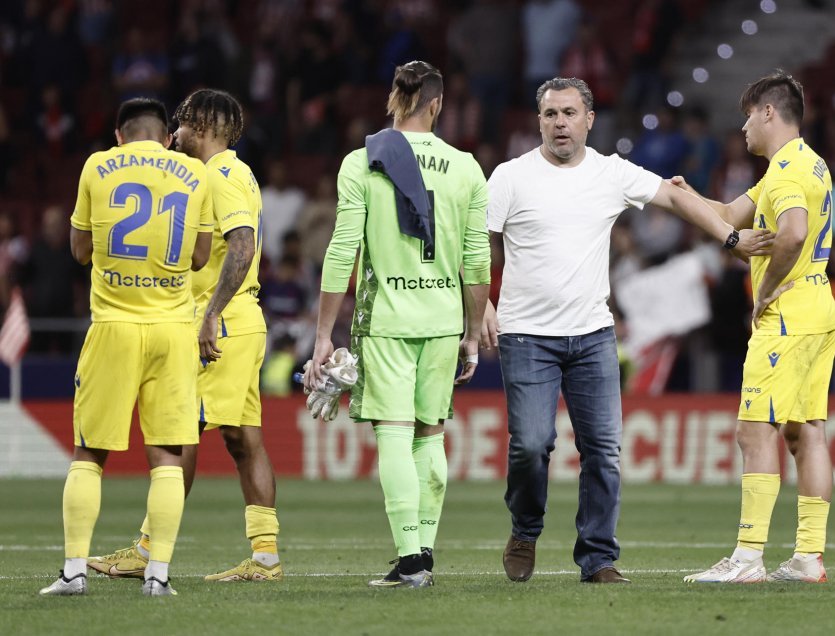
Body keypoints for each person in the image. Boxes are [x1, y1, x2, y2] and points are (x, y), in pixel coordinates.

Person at [481, 77, 772, 584]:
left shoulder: (612, 173)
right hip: (526, 335)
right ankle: (525, 529)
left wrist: (730, 237)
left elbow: (676, 198)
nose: (560, 123)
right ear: (539, 121)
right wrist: (479, 304)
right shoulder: (509, 177)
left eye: (570, 113)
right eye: (550, 114)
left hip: (593, 334)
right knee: (530, 445)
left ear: (590, 120)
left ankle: (597, 559)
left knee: (604, 452)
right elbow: (475, 242)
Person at [303, 60, 491, 589]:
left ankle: (410, 561)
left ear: (395, 99)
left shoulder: (361, 162)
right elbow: (477, 261)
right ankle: (422, 552)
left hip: (386, 318)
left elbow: (342, 251)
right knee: (430, 435)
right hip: (442, 319)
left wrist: (323, 336)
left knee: (393, 432)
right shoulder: (467, 167)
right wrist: (472, 333)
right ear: (437, 104)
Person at [89, 89, 283, 583]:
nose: (173, 134)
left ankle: (149, 549)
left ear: (198, 123)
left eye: (180, 123)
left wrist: (211, 313)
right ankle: (265, 557)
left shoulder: (217, 176)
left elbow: (242, 244)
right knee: (244, 440)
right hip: (242, 319)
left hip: (222, 322)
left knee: (180, 430)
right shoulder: (238, 172)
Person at [40, 98, 213, 597]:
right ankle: (157, 575)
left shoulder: (98, 165)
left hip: (113, 325)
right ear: (165, 137)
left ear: (119, 134)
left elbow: (77, 250)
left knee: (88, 453)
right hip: (173, 331)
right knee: (166, 457)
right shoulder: (193, 173)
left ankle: (74, 572)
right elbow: (202, 257)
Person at [677, 70, 835, 584]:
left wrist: (767, 289)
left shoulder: (785, 172)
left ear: (769, 112)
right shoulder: (806, 165)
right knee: (805, 431)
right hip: (820, 306)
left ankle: (747, 559)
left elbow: (791, 231)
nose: (743, 126)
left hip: (788, 313)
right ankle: (809, 558)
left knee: (755, 430)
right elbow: (729, 213)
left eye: (748, 114)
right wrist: (681, 194)